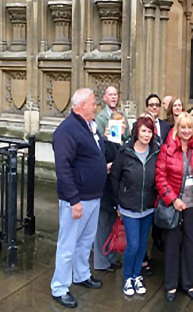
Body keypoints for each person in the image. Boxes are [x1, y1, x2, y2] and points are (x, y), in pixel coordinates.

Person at [50, 88, 107, 308]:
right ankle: (59, 287)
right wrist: (73, 200)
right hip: (77, 200)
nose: (95, 106)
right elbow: (63, 168)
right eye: (93, 103)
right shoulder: (67, 131)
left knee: (85, 241)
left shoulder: (90, 126)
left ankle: (82, 274)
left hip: (93, 196)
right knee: (68, 244)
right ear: (82, 105)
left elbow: (92, 156)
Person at [155, 112, 193, 301]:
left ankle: (187, 283)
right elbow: (160, 178)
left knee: (191, 244)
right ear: (177, 128)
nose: (186, 131)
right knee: (171, 244)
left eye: (189, 127)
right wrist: (172, 199)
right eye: (183, 127)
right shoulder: (167, 149)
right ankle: (170, 285)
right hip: (175, 204)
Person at [108, 116, 159, 296]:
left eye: (150, 131)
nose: (146, 135)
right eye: (144, 130)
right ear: (137, 131)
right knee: (133, 244)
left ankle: (137, 275)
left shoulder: (156, 152)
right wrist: (118, 203)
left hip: (148, 206)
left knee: (143, 244)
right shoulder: (125, 152)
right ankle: (127, 277)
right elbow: (114, 178)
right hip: (129, 207)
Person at [93, 112, 126, 274]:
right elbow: (100, 163)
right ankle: (101, 261)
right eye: (119, 124)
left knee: (112, 227)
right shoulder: (105, 143)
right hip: (105, 190)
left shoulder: (124, 143)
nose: (122, 127)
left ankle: (111, 256)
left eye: (124, 124)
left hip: (116, 192)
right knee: (102, 227)